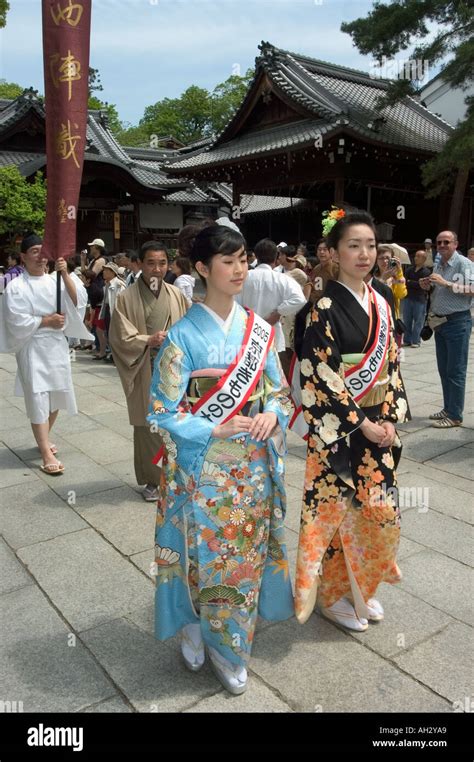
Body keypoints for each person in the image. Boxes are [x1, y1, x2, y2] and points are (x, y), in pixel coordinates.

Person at [147, 224, 294, 695]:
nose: (238, 269)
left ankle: (229, 643)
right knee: (200, 553)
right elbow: (162, 412)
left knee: (240, 558)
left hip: (250, 465)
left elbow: (278, 392)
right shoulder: (180, 338)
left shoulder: (260, 331)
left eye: (243, 259)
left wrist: (272, 414)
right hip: (200, 469)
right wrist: (212, 426)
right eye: (227, 261)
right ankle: (194, 623)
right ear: (202, 269)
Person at [295, 210, 408, 632]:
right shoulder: (321, 307)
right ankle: (334, 597)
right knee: (338, 514)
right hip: (340, 434)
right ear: (334, 253)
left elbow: (393, 364)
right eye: (354, 246)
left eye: (370, 245)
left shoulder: (381, 300)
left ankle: (363, 587)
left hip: (380, 429)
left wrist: (392, 417)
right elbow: (318, 375)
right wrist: (361, 424)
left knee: (379, 514)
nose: (364, 254)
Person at [0, 234, 92, 474]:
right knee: (38, 395)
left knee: (56, 394)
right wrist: (44, 321)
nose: (40, 258)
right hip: (32, 345)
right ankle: (44, 451)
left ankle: (43, 439)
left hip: (55, 345)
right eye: (34, 252)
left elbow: (76, 302)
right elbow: (14, 319)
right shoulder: (16, 286)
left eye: (43, 252)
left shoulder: (54, 281)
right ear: (23, 256)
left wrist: (63, 273)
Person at [109, 241, 188, 502]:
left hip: (173, 370)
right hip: (145, 367)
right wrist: (146, 340)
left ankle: (176, 476)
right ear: (140, 264)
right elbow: (120, 337)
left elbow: (188, 330)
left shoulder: (176, 295)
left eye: (162, 263)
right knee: (147, 426)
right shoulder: (126, 297)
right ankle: (153, 481)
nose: (157, 269)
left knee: (175, 423)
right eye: (151, 263)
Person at [420, 230, 473, 428]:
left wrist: (447, 283)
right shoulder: (438, 263)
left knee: (455, 371)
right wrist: (428, 285)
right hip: (440, 323)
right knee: (444, 370)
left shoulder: (464, 264)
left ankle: (455, 415)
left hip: (458, 322)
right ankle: (448, 408)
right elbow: (438, 289)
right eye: (439, 242)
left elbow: (472, 289)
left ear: (455, 244)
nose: (441, 245)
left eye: (446, 242)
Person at [235, 238, 306, 378]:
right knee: (274, 379)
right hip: (273, 332)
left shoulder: (244, 277)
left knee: (250, 377)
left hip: (247, 333)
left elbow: (232, 303)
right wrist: (279, 312)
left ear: (256, 255)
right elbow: (300, 299)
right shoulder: (281, 279)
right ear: (276, 257)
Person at [403, 250, 431, 347]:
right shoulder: (409, 270)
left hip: (420, 299)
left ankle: (416, 341)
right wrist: (415, 282)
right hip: (408, 297)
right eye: (415, 256)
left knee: (418, 321)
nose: (416, 258)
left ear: (424, 259)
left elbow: (422, 285)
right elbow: (405, 282)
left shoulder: (426, 271)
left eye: (418, 256)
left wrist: (412, 282)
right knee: (407, 320)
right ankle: (407, 339)